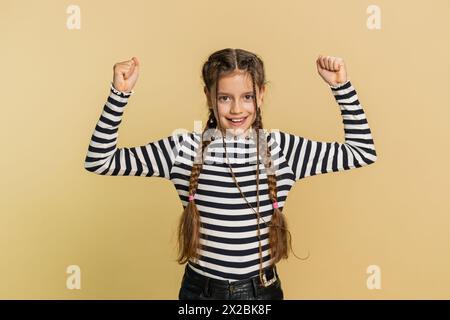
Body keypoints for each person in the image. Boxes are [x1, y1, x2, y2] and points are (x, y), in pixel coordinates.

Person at [84, 48, 378, 300]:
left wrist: (342, 87)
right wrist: (119, 95)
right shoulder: (183, 149)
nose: (237, 108)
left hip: (260, 291)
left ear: (261, 95)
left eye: (247, 96)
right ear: (208, 96)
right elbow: (100, 160)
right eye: (225, 98)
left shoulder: (283, 149)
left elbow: (362, 151)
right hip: (200, 291)